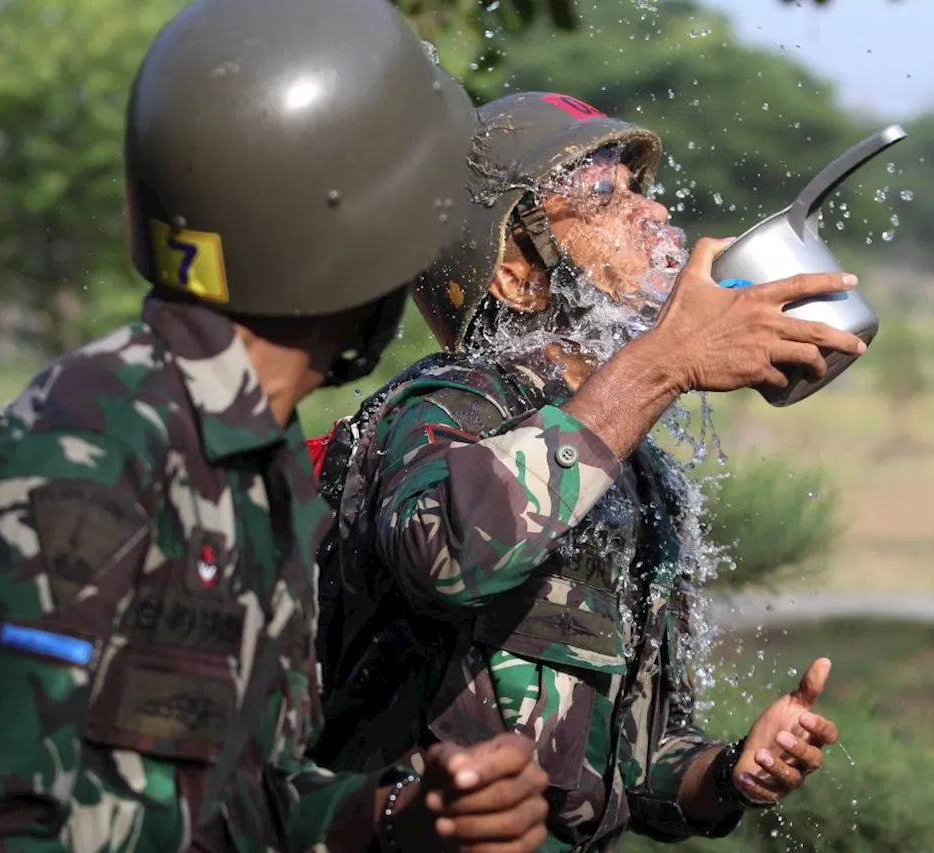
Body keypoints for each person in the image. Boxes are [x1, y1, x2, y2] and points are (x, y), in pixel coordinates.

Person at [0, 2, 550, 851]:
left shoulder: (261, 457)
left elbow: (250, 798)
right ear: (366, 231)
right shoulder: (89, 448)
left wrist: (396, 815)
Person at [310, 91, 857, 851]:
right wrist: (663, 363)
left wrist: (732, 769)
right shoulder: (443, 410)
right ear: (514, 275)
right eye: (606, 196)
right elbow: (449, 556)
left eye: (641, 190)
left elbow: (639, 770)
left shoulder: (642, 478)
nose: (655, 215)